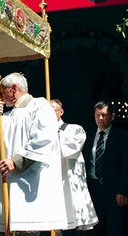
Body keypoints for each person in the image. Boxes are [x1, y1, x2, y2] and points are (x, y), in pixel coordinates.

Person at [0, 72, 67, 235]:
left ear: (14, 88)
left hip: (26, 181)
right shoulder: (7, 115)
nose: (1, 97)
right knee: (1, 228)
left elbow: (43, 140)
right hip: (4, 183)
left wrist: (16, 161)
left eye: (3, 92)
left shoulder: (39, 105)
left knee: (25, 229)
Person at [83, 101, 128, 236]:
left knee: (114, 227)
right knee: (94, 228)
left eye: (104, 115)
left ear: (112, 116)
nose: (100, 118)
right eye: (98, 115)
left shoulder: (121, 137)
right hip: (93, 189)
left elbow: (126, 165)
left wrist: (122, 191)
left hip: (114, 189)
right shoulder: (88, 136)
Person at [50, 99, 98, 236]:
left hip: (69, 182)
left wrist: (53, 136)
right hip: (51, 183)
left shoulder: (74, 129)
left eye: (53, 110)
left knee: (71, 219)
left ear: (61, 112)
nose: (50, 113)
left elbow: (71, 149)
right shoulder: (40, 132)